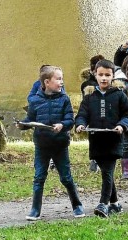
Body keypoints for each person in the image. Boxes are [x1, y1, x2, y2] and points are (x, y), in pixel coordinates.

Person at [17, 66, 85, 221]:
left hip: (60, 145)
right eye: (58, 79)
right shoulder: (34, 101)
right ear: (47, 82)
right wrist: (22, 124)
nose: (62, 82)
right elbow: (30, 119)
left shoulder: (64, 99)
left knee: (66, 177)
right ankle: (35, 209)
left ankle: (77, 205)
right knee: (39, 177)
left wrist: (62, 125)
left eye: (62, 79)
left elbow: (70, 120)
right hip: (42, 145)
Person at [75, 59, 128, 218]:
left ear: (113, 76)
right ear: (95, 74)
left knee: (108, 171)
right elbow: (82, 114)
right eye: (100, 74)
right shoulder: (89, 96)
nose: (104, 78)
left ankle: (103, 204)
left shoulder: (119, 95)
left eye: (107, 75)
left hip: (113, 140)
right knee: (106, 172)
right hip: (96, 141)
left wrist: (122, 125)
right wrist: (80, 124)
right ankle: (115, 203)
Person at [79, 54, 105, 173]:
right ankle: (94, 160)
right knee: (94, 137)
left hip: (105, 114)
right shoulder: (87, 85)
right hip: (93, 114)